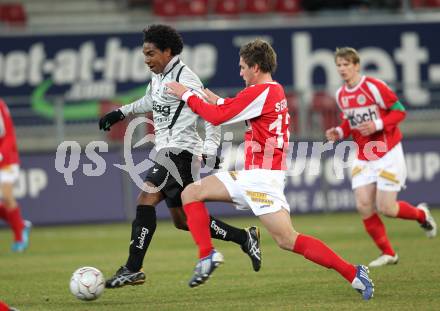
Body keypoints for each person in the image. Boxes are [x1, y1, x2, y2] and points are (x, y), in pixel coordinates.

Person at [166, 39, 374, 300]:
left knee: (190, 194)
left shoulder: (261, 92)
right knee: (288, 240)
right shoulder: (272, 90)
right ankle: (354, 273)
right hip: (266, 177)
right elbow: (232, 107)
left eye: (243, 68)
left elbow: (219, 117)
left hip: (258, 177)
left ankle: (206, 255)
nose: (240, 73)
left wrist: (185, 94)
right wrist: (215, 100)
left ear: (255, 67)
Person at [99, 24, 261, 288]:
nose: (146, 59)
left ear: (167, 51)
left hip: (180, 151)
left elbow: (210, 114)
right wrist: (121, 112)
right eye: (144, 53)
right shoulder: (160, 76)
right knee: (184, 221)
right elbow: (150, 100)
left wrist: (210, 148)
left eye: (151, 53)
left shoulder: (186, 78)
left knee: (145, 198)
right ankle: (245, 238)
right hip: (168, 151)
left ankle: (132, 268)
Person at [325, 47, 437, 268]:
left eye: (346, 64)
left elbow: (400, 110)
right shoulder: (340, 95)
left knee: (387, 208)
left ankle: (421, 215)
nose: (342, 69)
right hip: (364, 154)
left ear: (356, 65)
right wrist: (339, 132)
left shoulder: (374, 87)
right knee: (363, 204)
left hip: (387, 152)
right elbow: (350, 122)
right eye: (339, 65)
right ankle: (388, 253)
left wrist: (377, 124)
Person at [0, 98, 32, 252]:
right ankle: (21, 224)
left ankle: (19, 236)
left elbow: (8, 135)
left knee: (7, 196)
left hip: (6, 159)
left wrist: (1, 154)